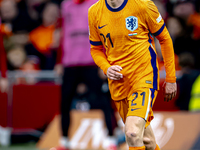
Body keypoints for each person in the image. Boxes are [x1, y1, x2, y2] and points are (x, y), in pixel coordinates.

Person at [88, 0, 177, 149]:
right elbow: (95, 49)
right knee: (146, 141)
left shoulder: (142, 5)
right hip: (119, 84)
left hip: (143, 77)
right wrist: (106, 68)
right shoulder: (94, 11)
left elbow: (165, 39)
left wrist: (171, 78)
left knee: (132, 133)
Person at [53, 0, 119, 149]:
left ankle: (111, 139)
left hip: (92, 62)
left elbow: (105, 31)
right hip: (70, 63)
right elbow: (63, 33)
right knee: (65, 102)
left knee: (104, 100)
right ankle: (64, 141)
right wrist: (59, 61)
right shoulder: (66, 5)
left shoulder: (97, 3)